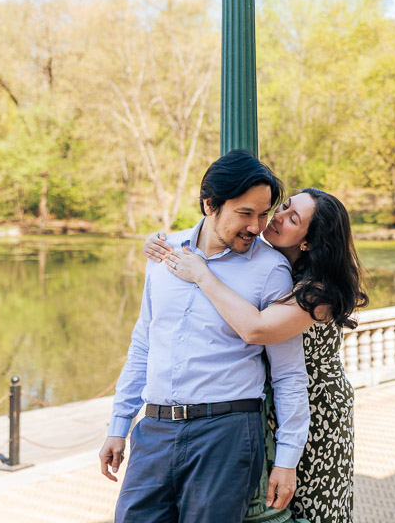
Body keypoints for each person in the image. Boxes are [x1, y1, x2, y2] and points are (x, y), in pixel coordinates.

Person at [98, 150, 310, 523]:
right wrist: (119, 425)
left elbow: (288, 372)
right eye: (245, 213)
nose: (257, 226)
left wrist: (288, 459)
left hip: (226, 435)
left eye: (264, 214)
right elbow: (143, 345)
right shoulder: (163, 254)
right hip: (155, 430)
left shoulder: (270, 269)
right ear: (210, 205)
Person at [144, 186, 368, 523]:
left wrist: (201, 275)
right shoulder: (267, 262)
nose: (277, 218)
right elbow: (220, 227)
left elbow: (256, 329)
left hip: (316, 409)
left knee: (310, 509)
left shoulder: (317, 289)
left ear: (309, 241)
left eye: (293, 219)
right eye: (284, 207)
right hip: (268, 407)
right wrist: (164, 245)